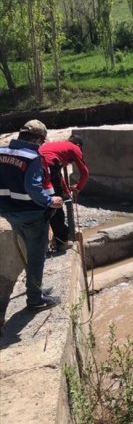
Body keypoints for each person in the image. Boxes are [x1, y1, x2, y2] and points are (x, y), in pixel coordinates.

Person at [0, 120, 63, 313]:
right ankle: (35, 300)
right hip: (32, 215)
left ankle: (36, 288)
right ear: (37, 139)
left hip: (9, 212)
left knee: (29, 252)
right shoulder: (32, 157)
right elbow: (33, 188)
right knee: (37, 257)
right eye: (42, 142)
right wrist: (50, 202)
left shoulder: (2, 152)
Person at [40, 135, 89, 253]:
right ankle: (62, 241)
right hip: (49, 167)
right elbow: (85, 172)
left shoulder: (57, 146)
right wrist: (78, 187)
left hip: (36, 166)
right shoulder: (74, 147)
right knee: (56, 203)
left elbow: (58, 176)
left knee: (45, 202)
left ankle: (46, 242)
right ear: (78, 145)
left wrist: (66, 191)